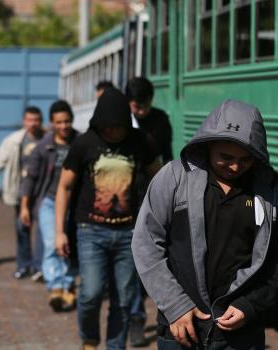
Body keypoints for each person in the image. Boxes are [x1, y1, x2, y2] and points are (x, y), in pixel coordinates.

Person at [132, 100, 278, 350]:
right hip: (179, 331)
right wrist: (175, 306)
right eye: (226, 157)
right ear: (207, 145)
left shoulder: (272, 192)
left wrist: (250, 305)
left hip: (241, 335)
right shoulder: (174, 177)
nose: (234, 166)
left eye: (245, 160)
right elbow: (146, 243)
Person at [55, 88, 161, 350]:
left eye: (117, 128)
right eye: (106, 128)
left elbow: (159, 180)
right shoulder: (85, 144)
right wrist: (59, 231)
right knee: (90, 294)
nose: (112, 133)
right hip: (90, 230)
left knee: (123, 299)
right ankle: (89, 340)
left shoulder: (140, 142)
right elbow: (64, 187)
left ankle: (116, 346)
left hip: (129, 234)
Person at [125, 77, 174, 347]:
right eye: (135, 105)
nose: (140, 111)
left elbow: (166, 156)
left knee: (156, 260)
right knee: (135, 264)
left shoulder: (160, 120)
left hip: (154, 198)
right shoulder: (119, 121)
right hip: (128, 201)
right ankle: (135, 318)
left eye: (144, 105)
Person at [19, 100, 79, 311]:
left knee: (71, 245)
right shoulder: (42, 148)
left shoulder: (81, 142)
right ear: (52, 123)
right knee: (52, 243)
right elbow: (30, 179)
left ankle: (69, 285)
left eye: (67, 121)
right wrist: (25, 206)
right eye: (59, 122)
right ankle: (55, 286)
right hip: (49, 202)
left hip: (75, 205)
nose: (64, 126)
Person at [0, 106, 45, 280]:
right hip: (21, 191)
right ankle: (24, 265)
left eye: (37, 120)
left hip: (41, 192)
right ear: (24, 121)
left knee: (42, 229)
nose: (33, 123)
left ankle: (39, 267)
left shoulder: (47, 139)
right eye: (30, 120)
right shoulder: (14, 140)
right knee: (22, 227)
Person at [126, 77, 173, 164]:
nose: (142, 111)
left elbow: (167, 153)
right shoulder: (122, 119)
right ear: (128, 101)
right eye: (137, 107)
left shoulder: (161, 119)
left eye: (147, 105)